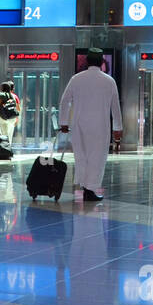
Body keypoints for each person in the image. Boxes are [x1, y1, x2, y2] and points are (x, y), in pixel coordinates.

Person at [59, 49, 123, 202]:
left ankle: (84, 185)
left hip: (79, 124)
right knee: (97, 156)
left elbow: (64, 101)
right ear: (102, 62)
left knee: (81, 155)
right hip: (101, 126)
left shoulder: (76, 79)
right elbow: (115, 106)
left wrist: (64, 123)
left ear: (87, 62)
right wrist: (118, 128)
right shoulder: (109, 81)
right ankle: (90, 188)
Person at [0, 81, 23, 147]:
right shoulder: (14, 96)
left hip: (3, 117)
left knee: (4, 134)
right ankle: (8, 148)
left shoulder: (1, 95)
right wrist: (17, 119)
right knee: (9, 134)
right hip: (12, 118)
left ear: (2, 88)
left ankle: (5, 150)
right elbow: (18, 109)